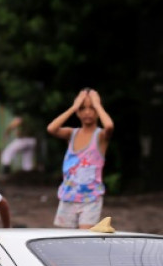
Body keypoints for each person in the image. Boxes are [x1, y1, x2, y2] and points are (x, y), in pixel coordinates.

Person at [46, 88, 114, 229]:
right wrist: (73, 107)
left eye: (92, 108)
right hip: (68, 197)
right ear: (78, 112)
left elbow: (109, 126)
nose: (87, 112)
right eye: (83, 108)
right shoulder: (72, 134)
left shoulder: (100, 136)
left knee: (85, 238)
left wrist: (98, 105)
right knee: (66, 241)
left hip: (91, 199)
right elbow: (51, 128)